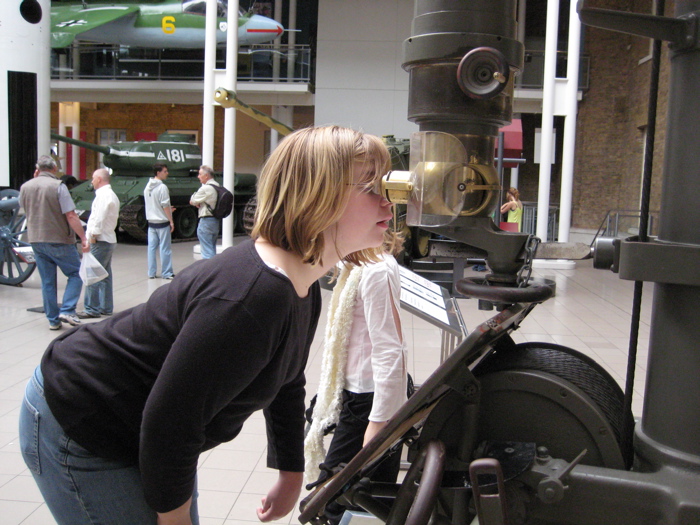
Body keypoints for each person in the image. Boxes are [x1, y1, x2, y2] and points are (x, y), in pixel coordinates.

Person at [19, 125, 395, 525]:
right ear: (318, 196)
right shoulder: (251, 298)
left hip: (146, 426)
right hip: (83, 418)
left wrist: (290, 471)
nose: (388, 205)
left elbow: (287, 380)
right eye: (372, 189)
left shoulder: (301, 282)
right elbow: (171, 426)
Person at [304, 232, 408, 525]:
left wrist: (378, 426)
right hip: (354, 394)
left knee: (336, 499)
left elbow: (391, 348)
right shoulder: (357, 265)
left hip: (370, 401)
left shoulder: (376, 269)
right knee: (365, 497)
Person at [19, 155, 90, 330]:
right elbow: (71, 215)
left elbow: (24, 208)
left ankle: (53, 320)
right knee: (76, 273)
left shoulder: (26, 186)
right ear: (53, 169)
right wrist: (83, 237)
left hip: (36, 239)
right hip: (58, 240)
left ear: (38, 169)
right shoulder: (58, 186)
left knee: (48, 282)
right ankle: (67, 309)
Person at [77, 169, 120, 319]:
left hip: (100, 240)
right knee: (105, 275)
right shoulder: (110, 194)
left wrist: (91, 238)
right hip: (108, 239)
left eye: (93, 178)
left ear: (100, 179)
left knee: (92, 274)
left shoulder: (103, 196)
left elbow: (98, 219)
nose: (92, 181)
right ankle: (106, 307)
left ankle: (92, 308)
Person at [145, 163, 175, 279]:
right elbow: (165, 205)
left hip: (151, 222)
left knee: (151, 248)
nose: (167, 173)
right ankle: (166, 272)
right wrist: (171, 220)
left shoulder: (147, 186)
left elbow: (153, 203)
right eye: (165, 171)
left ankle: (151, 272)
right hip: (162, 223)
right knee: (165, 248)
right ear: (158, 173)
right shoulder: (162, 187)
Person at [189, 165, 220, 259]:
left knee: (207, 252)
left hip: (206, 221)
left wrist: (195, 199)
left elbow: (193, 201)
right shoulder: (217, 186)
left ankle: (209, 272)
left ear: (206, 176)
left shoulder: (206, 188)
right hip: (215, 220)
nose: (198, 176)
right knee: (211, 248)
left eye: (200, 174)